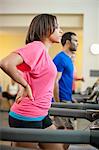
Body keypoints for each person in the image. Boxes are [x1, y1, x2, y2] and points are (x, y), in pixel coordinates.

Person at [0, 14, 68, 150]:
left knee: (59, 147)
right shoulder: (36, 47)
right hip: (27, 116)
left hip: (41, 114)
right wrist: (24, 85)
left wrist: (22, 84)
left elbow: (26, 72)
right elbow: (6, 63)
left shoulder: (42, 51)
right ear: (47, 29)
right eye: (57, 27)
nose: (61, 31)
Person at [53, 32, 78, 130]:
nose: (77, 43)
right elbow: (55, 81)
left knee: (69, 131)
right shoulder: (60, 58)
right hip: (62, 101)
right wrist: (57, 103)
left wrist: (71, 98)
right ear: (68, 42)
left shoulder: (68, 59)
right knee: (67, 131)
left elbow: (65, 81)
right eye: (75, 41)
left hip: (67, 99)